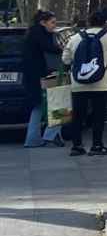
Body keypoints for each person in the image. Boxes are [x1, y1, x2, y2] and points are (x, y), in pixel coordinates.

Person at [61, 9, 107, 156]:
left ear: (89, 22)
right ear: (104, 23)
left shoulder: (76, 37)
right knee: (99, 115)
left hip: (78, 84)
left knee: (78, 116)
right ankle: (97, 145)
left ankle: (77, 146)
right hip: (101, 83)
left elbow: (65, 59)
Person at [22, 11, 65, 148]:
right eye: (52, 22)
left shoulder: (32, 33)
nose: (54, 25)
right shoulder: (41, 35)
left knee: (39, 106)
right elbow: (51, 49)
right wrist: (63, 48)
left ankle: (33, 138)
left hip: (34, 77)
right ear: (43, 22)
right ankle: (50, 135)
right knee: (59, 102)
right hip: (43, 76)